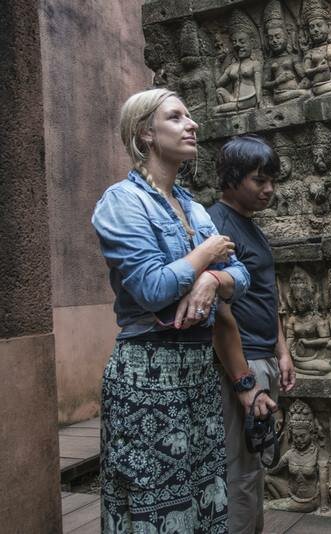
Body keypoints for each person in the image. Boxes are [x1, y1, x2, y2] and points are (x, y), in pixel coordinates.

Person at [92, 88, 272, 533]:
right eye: (176, 117)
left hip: (197, 372)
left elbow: (240, 278)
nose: (192, 124)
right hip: (148, 373)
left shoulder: (192, 206)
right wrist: (205, 256)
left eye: (190, 116)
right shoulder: (122, 201)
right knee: (157, 505)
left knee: (206, 499)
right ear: (145, 134)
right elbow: (152, 288)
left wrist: (212, 279)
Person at [207, 135, 297, 534]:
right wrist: (245, 378)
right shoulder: (216, 226)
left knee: (255, 465)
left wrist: (283, 350)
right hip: (241, 364)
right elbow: (217, 309)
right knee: (239, 471)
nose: (269, 189)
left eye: (271, 180)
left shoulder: (250, 227)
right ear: (231, 179)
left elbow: (265, 293)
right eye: (259, 180)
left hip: (263, 358)